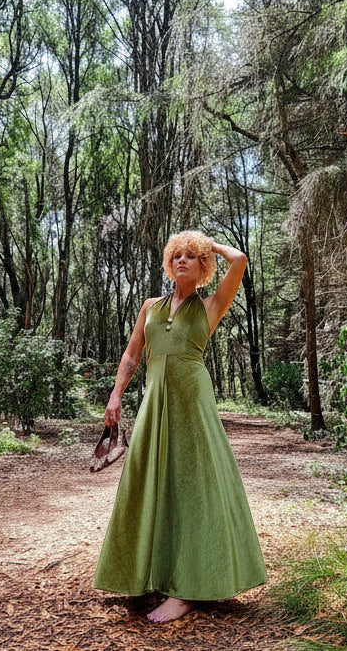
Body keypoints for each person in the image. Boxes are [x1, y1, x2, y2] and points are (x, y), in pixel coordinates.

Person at [93, 231, 268, 623]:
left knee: (193, 486)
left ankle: (189, 590)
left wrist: (210, 245)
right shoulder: (150, 306)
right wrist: (116, 394)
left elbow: (238, 260)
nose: (183, 260)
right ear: (169, 261)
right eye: (178, 255)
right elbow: (133, 353)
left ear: (203, 265)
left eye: (192, 256)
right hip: (155, 402)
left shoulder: (209, 306)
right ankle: (142, 574)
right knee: (150, 481)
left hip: (192, 402)